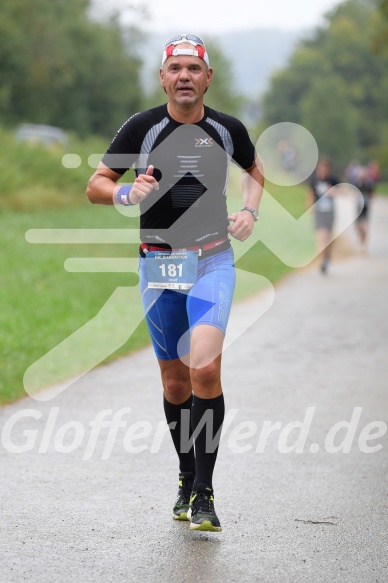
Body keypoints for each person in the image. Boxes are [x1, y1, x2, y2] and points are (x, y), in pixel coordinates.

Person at [86, 34, 264, 532]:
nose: (184, 76)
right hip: (158, 265)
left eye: (193, 68)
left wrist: (250, 208)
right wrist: (126, 191)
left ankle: (205, 492)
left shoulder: (227, 129)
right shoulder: (141, 128)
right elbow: (95, 185)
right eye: (175, 68)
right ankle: (186, 475)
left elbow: (255, 170)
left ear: (208, 78)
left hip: (211, 261)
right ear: (162, 77)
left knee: (204, 368)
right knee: (174, 380)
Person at [307, 157, 340, 274]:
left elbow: (341, 192)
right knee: (321, 237)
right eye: (321, 169)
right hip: (319, 212)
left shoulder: (333, 180)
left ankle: (326, 257)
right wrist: (309, 205)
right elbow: (311, 193)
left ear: (328, 170)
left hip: (330, 213)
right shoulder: (314, 181)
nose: (322, 171)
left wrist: (333, 191)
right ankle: (323, 262)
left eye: (325, 169)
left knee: (329, 239)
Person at [354, 166, 375, 252]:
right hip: (358, 208)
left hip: (365, 207)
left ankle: (364, 243)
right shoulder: (356, 184)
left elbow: (372, 195)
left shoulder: (369, 184)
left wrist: (367, 199)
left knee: (365, 226)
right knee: (359, 227)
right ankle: (361, 240)